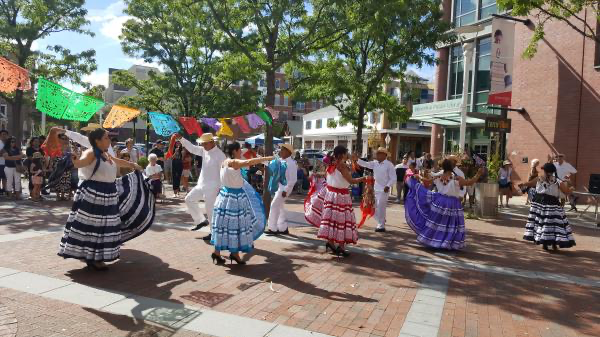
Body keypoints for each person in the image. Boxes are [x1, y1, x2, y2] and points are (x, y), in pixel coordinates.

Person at [57, 128, 155, 271]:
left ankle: (95, 256)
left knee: (104, 227)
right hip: (94, 195)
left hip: (107, 194)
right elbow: (80, 163)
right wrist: (74, 159)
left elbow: (117, 161)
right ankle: (93, 258)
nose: (109, 140)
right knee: (93, 227)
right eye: (106, 138)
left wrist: (132, 165)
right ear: (97, 141)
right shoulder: (91, 153)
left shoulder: (105, 153)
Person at [210, 142, 273, 265]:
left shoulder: (224, 162)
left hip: (225, 197)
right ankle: (234, 254)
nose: (241, 152)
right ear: (234, 151)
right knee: (236, 226)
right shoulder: (233, 163)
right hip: (235, 198)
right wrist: (267, 158)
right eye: (239, 150)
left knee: (223, 225)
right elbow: (248, 162)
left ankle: (218, 253)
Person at [405, 159, 484, 250]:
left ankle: (436, 241)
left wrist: (418, 176)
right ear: (452, 167)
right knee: (451, 224)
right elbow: (470, 182)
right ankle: (446, 242)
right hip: (453, 203)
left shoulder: (439, 176)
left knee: (438, 222)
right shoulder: (456, 178)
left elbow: (427, 181)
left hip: (440, 201)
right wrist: (478, 174)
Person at [305, 145, 366, 257]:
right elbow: (351, 180)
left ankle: (331, 243)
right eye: (346, 152)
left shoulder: (332, 163)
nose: (348, 154)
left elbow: (345, 174)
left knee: (332, 220)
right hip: (340, 196)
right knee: (341, 221)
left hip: (331, 195)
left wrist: (352, 161)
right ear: (342, 154)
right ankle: (341, 247)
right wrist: (364, 178)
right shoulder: (341, 165)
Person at [177, 133, 226, 241]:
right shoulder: (205, 150)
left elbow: (224, 173)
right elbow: (192, 148)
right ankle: (201, 221)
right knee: (189, 199)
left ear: (212, 142)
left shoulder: (220, 155)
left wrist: (222, 189)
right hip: (202, 184)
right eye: (202, 143)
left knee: (210, 211)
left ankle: (214, 234)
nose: (203, 145)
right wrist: (181, 138)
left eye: (204, 143)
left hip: (214, 187)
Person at [520, 163, 576, 251]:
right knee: (553, 223)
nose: (542, 171)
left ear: (546, 171)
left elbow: (530, 184)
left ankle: (545, 243)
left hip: (540, 203)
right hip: (551, 203)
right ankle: (553, 243)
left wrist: (523, 184)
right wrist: (572, 189)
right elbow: (566, 192)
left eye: (543, 170)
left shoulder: (540, 178)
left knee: (543, 223)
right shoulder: (557, 181)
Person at [353, 147, 396, 232]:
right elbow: (366, 164)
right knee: (373, 207)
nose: (377, 155)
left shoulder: (389, 165)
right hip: (375, 189)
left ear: (384, 155)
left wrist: (388, 186)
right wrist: (357, 159)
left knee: (381, 207)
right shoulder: (375, 163)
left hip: (384, 189)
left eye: (379, 153)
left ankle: (381, 225)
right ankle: (381, 219)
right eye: (377, 153)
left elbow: (393, 178)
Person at [265, 143, 298, 235]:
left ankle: (272, 228)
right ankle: (283, 228)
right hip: (281, 187)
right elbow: (271, 163)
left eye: (283, 149)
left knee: (274, 205)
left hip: (285, 188)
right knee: (279, 207)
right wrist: (259, 159)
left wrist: (286, 190)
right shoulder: (282, 161)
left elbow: (293, 180)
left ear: (288, 152)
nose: (280, 151)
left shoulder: (291, 163)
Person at [0, 130, 8, 195]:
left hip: (7, 163)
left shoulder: (8, 143)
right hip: (0, 163)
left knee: (5, 177)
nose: (4, 135)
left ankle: (4, 189)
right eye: (3, 134)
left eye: (5, 134)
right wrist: (3, 153)